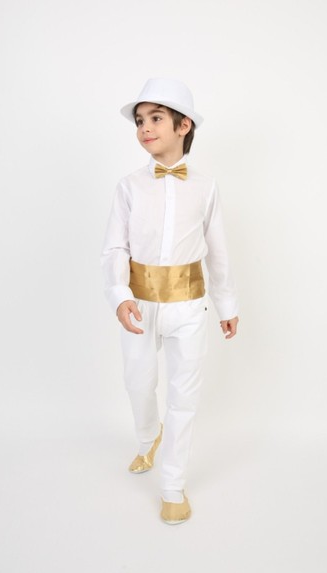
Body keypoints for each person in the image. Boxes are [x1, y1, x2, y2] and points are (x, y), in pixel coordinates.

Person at [101, 78, 239, 524]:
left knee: (183, 397)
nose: (144, 127)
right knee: (138, 383)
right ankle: (148, 437)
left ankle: (173, 485)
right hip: (139, 304)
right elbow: (115, 248)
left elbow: (217, 250)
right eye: (140, 121)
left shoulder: (206, 187)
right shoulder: (128, 187)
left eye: (156, 118)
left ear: (184, 126)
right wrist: (119, 295)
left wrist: (227, 306)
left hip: (189, 305)